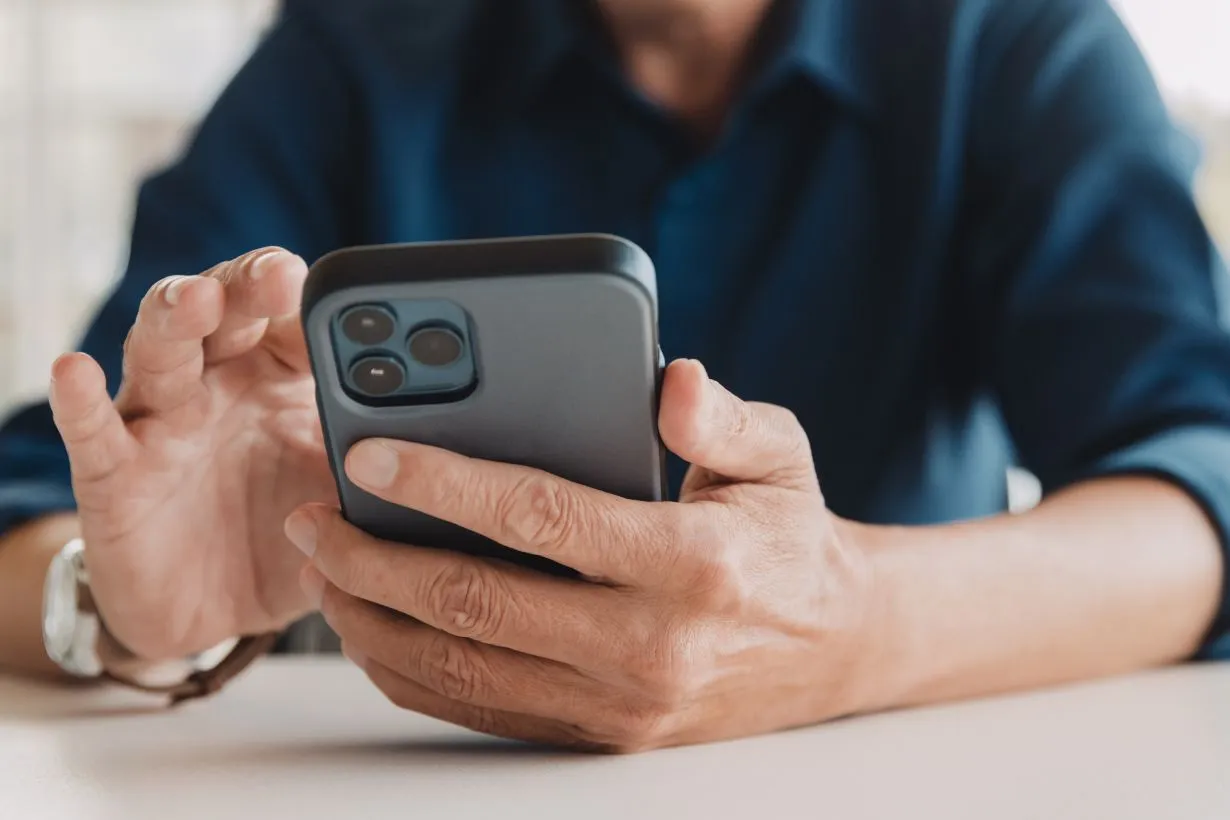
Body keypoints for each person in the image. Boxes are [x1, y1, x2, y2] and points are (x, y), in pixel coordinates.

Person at [0, 0, 1227, 751]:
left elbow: (1199, 490)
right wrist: (120, 604)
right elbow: (42, 494)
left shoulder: (1015, 42)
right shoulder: (348, 51)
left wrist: (851, 621)